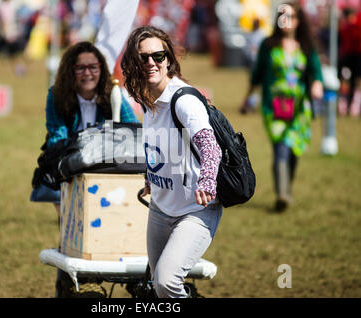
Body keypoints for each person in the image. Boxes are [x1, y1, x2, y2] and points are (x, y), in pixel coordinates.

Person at [121, 26, 223, 298]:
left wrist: (207, 180)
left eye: (158, 55)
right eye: (143, 58)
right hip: (160, 209)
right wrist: (149, 178)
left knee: (167, 283)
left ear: (168, 59)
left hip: (195, 210)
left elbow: (210, 147)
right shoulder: (147, 99)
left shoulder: (183, 100)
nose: (152, 63)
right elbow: (159, 146)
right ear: (133, 63)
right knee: (158, 286)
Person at [32, 41, 139, 296]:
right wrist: (86, 150)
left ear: (101, 69)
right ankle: (68, 284)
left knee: (109, 227)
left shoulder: (114, 93)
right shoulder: (56, 95)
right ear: (70, 71)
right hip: (66, 169)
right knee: (71, 230)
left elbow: (133, 129)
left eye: (93, 66)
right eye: (80, 68)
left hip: (106, 172)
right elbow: (57, 136)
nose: (87, 73)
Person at [240, 3, 323, 212]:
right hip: (273, 107)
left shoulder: (306, 46)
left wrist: (316, 84)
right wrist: (246, 99)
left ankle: (286, 186)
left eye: (292, 17)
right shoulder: (268, 45)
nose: (287, 21)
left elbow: (316, 71)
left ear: (299, 20)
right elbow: (257, 73)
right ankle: (282, 194)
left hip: (299, 109)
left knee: (294, 149)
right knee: (281, 147)